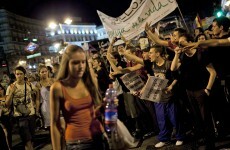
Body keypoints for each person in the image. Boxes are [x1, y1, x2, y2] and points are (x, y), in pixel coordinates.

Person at [50, 45, 107, 150]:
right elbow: (54, 124)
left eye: (83, 62)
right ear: (66, 64)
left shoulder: (89, 81)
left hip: (99, 136)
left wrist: (105, 106)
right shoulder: (58, 87)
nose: (81, 66)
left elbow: (93, 113)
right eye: (75, 62)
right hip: (77, 143)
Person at [171, 34, 217, 149]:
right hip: (189, 91)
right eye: (179, 43)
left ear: (191, 42)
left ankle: (210, 144)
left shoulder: (201, 54)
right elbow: (173, 68)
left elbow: (213, 73)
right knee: (197, 118)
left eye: (182, 42)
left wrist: (208, 89)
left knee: (205, 118)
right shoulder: (182, 56)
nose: (180, 45)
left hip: (201, 91)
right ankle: (203, 139)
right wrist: (176, 54)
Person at [5, 66, 40, 150]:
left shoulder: (29, 84)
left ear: (24, 75)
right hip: (20, 117)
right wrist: (12, 93)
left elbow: (37, 92)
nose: (19, 76)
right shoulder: (11, 87)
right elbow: (7, 104)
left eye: (21, 74)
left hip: (31, 114)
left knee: (31, 139)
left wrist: (37, 109)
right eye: (17, 74)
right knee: (27, 140)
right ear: (15, 75)